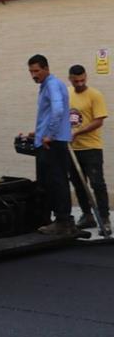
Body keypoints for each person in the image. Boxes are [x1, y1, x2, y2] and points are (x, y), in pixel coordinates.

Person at [25, 54, 76, 237]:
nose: (33, 75)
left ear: (46, 68)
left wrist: (49, 135)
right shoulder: (48, 85)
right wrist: (38, 132)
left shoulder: (52, 85)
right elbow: (50, 114)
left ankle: (62, 221)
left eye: (36, 71)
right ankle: (60, 220)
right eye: (30, 71)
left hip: (52, 143)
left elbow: (59, 110)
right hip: (50, 140)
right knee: (51, 181)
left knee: (56, 181)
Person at [67, 64, 109, 233]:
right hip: (72, 148)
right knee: (78, 184)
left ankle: (105, 218)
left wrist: (77, 132)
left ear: (86, 77)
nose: (79, 83)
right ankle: (87, 216)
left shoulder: (95, 95)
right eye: (76, 80)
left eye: (82, 80)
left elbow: (98, 120)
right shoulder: (66, 93)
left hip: (91, 148)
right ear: (70, 78)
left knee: (97, 184)